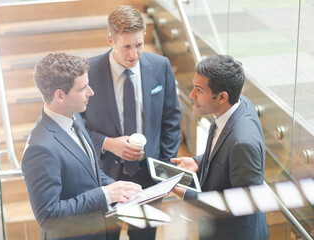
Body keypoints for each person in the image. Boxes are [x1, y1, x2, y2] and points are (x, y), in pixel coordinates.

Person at [83, 5, 181, 240]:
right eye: (127, 46)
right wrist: (107, 143)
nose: (134, 54)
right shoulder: (88, 72)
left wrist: (162, 167)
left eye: (139, 45)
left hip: (149, 178)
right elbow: (77, 126)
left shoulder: (161, 67)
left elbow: (171, 120)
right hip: (105, 177)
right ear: (110, 39)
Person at [21, 52, 142, 240]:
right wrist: (104, 195)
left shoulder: (74, 115)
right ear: (60, 96)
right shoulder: (40, 148)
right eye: (83, 88)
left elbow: (89, 172)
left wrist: (119, 189)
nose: (91, 92)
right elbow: (48, 215)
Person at [171, 55, 270, 240]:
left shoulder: (243, 143)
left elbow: (243, 204)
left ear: (223, 96)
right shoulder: (239, 103)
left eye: (199, 90)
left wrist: (185, 194)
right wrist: (197, 161)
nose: (192, 95)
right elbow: (223, 149)